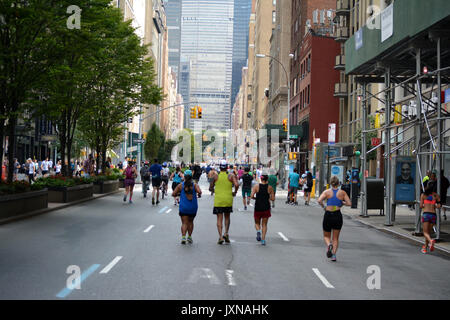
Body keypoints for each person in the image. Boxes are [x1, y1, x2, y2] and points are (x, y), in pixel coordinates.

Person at [317, 176, 351, 262]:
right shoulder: (342, 193)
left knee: (326, 236)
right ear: (338, 183)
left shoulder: (327, 192)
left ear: (331, 183)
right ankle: (334, 255)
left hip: (328, 214)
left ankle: (329, 245)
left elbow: (319, 200)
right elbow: (349, 203)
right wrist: (342, 203)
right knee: (335, 238)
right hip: (337, 215)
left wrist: (324, 207)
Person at [210, 160, 239, 244]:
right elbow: (236, 185)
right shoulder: (231, 176)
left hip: (218, 200)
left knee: (219, 218)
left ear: (219, 167)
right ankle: (226, 233)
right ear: (227, 167)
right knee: (227, 217)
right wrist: (235, 192)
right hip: (228, 199)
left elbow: (210, 187)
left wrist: (214, 190)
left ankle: (220, 237)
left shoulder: (215, 176)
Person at [172, 170, 202, 244]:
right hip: (193, 207)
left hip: (183, 207)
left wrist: (179, 194)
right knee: (191, 222)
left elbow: (173, 194)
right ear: (191, 177)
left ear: (184, 177)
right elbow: (200, 192)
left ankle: (183, 237)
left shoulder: (180, 185)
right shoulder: (195, 185)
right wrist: (199, 195)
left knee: (184, 223)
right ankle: (189, 237)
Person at [251, 173, 275, 246]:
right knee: (264, 224)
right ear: (267, 180)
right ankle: (263, 240)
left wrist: (256, 198)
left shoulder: (256, 186)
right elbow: (273, 198)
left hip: (258, 207)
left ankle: (258, 231)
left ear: (261, 179)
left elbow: (251, 196)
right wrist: (267, 198)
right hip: (266, 208)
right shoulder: (270, 188)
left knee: (257, 223)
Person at [420, 181, 440, 254]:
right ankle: (425, 247)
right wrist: (434, 205)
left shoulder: (423, 195)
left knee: (425, 232)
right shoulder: (436, 195)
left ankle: (430, 241)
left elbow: (421, 206)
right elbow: (439, 206)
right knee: (428, 232)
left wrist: (425, 205)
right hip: (433, 215)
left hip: (426, 214)